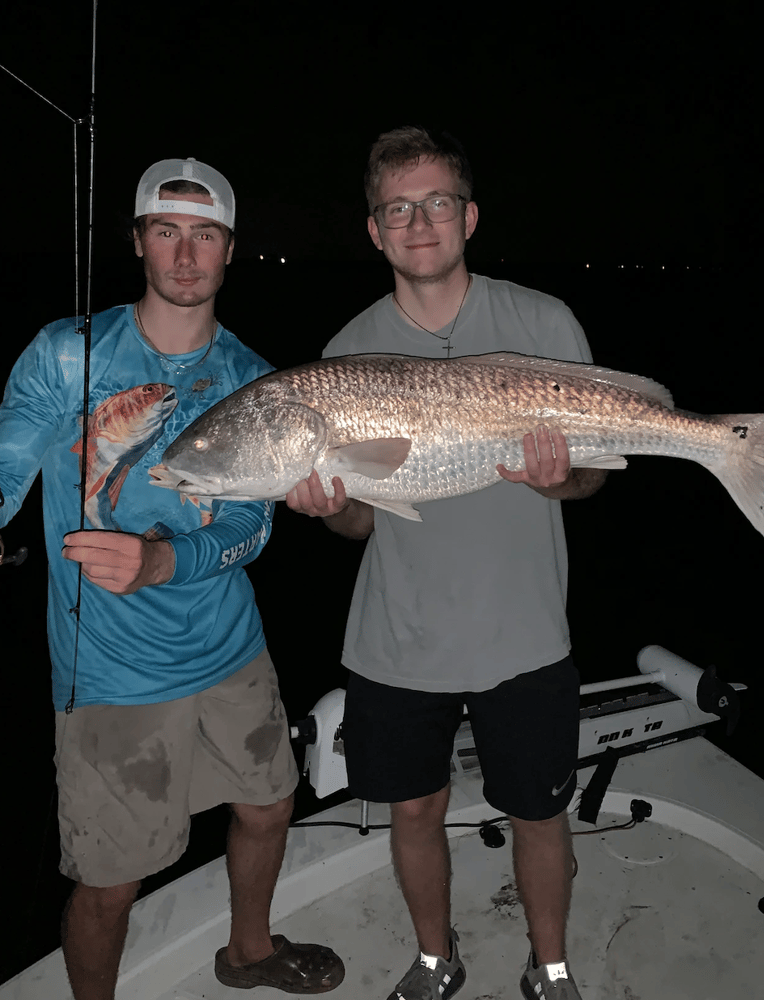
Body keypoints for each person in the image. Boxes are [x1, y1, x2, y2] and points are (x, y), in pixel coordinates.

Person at [0, 157, 344, 999]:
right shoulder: (65, 355)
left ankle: (248, 950)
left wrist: (163, 559)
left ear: (229, 251)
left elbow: (248, 526)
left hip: (230, 647)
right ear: (139, 243)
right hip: (112, 673)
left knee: (268, 805)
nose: (185, 255)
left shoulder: (256, 382)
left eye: (205, 235)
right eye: (166, 231)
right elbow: (5, 471)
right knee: (111, 882)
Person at [287, 127, 607, 1000]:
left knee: (540, 813)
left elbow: (588, 479)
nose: (417, 222)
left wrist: (559, 475)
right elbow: (358, 524)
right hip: (398, 637)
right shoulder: (343, 356)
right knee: (413, 810)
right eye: (397, 208)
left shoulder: (541, 322)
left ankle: (550, 967)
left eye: (435, 203)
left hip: (524, 632)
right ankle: (436, 959)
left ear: (467, 216)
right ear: (374, 231)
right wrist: (326, 504)